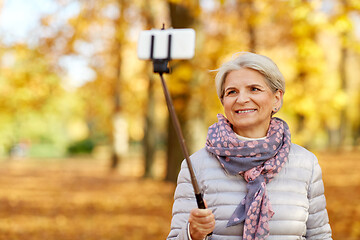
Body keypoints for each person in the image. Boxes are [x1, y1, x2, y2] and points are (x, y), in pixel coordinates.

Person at [167, 52, 332, 240]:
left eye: (254, 89)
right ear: (223, 102)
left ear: (276, 99)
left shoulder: (306, 164)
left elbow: (320, 236)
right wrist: (192, 233)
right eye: (232, 92)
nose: (242, 99)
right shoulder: (196, 165)